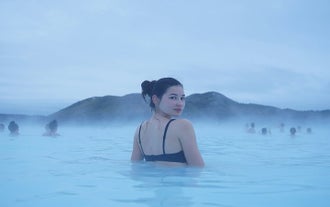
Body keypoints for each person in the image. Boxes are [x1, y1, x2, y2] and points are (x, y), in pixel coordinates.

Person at [131, 77, 205, 167]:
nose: (180, 103)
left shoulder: (139, 130)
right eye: (173, 97)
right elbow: (198, 168)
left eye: (182, 98)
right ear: (155, 99)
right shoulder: (183, 126)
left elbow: (134, 166)